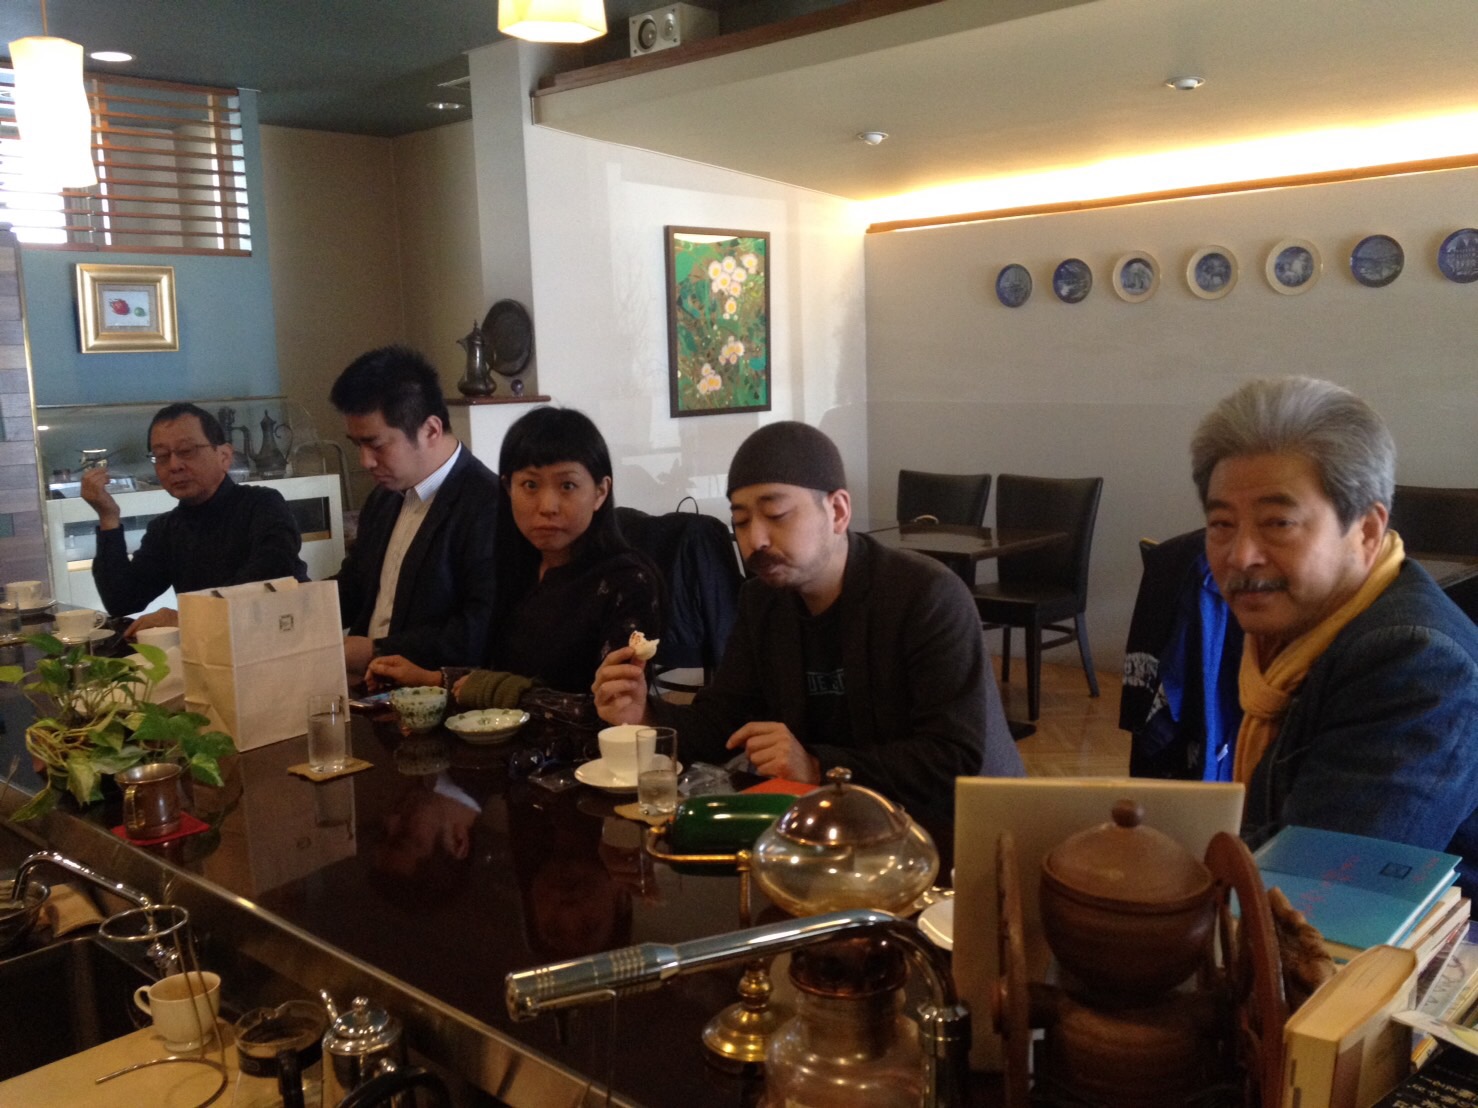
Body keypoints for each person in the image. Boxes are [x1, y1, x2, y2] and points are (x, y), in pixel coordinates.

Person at [593, 420, 1022, 834]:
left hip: (960, 831)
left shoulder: (926, 595)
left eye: (776, 514)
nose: (755, 540)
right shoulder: (762, 601)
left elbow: (951, 759)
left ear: (837, 511)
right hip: (839, 824)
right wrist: (645, 714)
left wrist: (816, 766)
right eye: (741, 521)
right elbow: (723, 722)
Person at [1191, 377, 1478, 889]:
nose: (1240, 556)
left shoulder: (1417, 659)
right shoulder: (1274, 626)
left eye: (1278, 523)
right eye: (1221, 525)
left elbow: (1324, 882)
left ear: (1366, 530)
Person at [368, 406, 662, 708]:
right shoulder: (515, 566)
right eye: (530, 485)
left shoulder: (627, 582)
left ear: (600, 492)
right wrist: (431, 679)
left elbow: (614, 706)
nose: (547, 506)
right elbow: (499, 675)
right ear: (508, 488)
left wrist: (487, 689)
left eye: (567, 486)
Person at [330, 345, 501, 679]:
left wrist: (377, 650)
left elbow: (479, 629)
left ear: (431, 430)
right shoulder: (384, 498)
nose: (365, 461)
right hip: (366, 687)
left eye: (376, 445)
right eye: (356, 445)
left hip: (435, 692)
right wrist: (290, 607)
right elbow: (355, 585)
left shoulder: (488, 504)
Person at [82, 402, 307, 635]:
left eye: (187, 451)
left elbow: (265, 583)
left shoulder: (263, 504)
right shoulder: (166, 529)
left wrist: (187, 619)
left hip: (284, 638)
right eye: (161, 456)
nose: (174, 465)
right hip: (212, 648)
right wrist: (108, 518)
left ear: (224, 456)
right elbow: (122, 601)